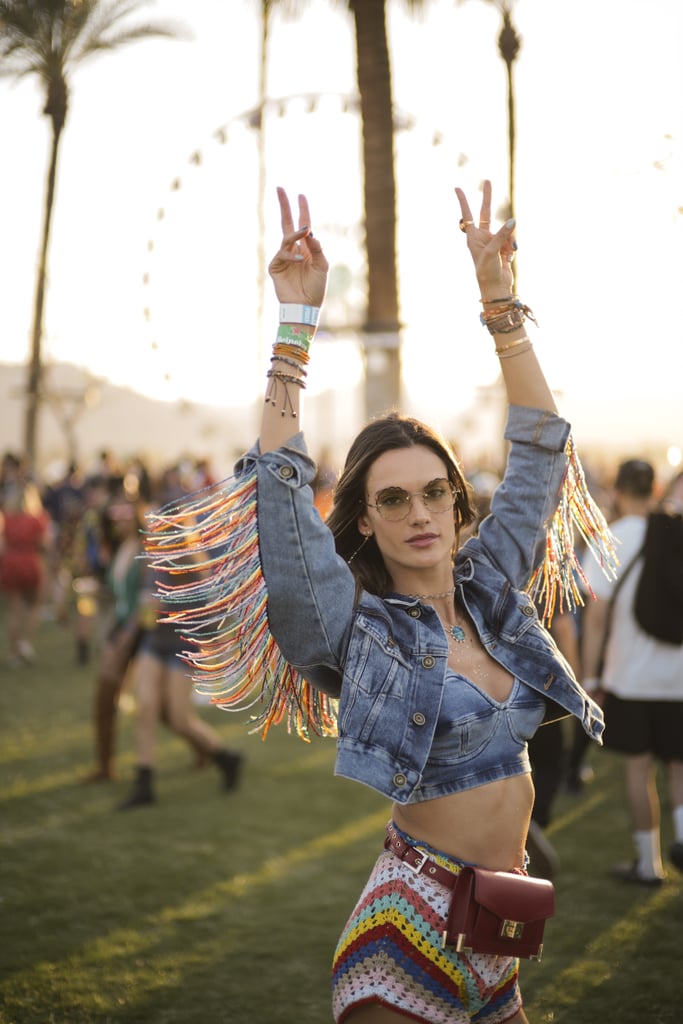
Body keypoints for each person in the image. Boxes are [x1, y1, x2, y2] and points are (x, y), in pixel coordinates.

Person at [145, 181, 612, 1024]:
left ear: (456, 501)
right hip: (408, 928)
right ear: (363, 516)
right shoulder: (356, 631)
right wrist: (295, 326)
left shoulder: (490, 588)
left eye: (433, 492)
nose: (419, 512)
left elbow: (540, 440)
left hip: (497, 925)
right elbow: (281, 497)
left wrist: (498, 301)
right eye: (391, 500)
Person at [582, 459, 683, 886]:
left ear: (618, 490)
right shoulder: (675, 535)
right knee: (679, 769)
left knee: (638, 771)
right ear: (655, 487)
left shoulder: (612, 539)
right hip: (678, 677)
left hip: (629, 678)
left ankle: (648, 865)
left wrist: (590, 678)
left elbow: (596, 619)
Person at [0, 471, 50, 667]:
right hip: (30, 561)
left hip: (10, 562)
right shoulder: (37, 519)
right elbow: (44, 543)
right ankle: (25, 642)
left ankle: (14, 652)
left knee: (14, 609)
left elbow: (2, 545)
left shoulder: (7, 518)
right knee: (34, 604)